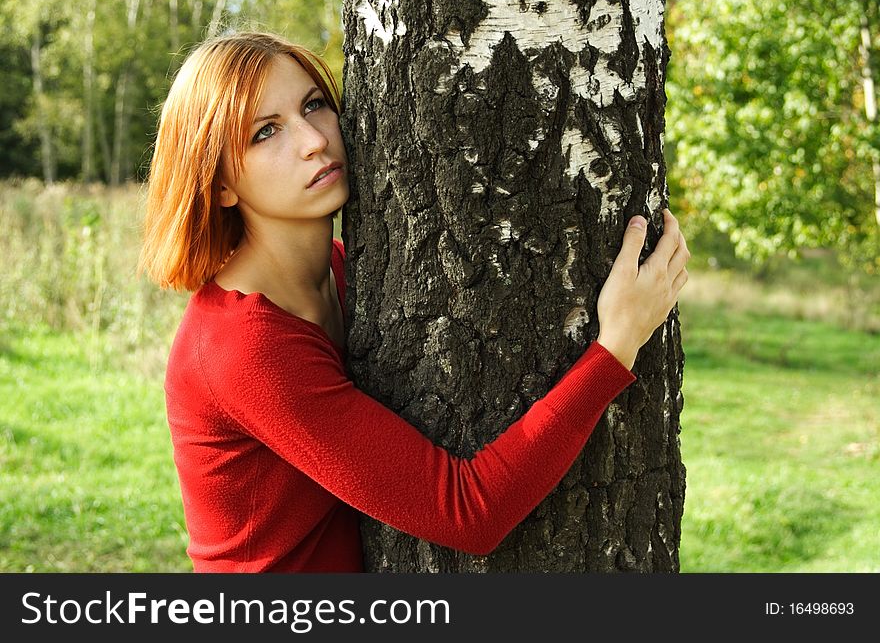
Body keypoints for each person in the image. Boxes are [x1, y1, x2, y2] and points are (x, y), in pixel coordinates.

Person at [139, 31, 690, 572]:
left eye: (314, 105)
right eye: (265, 132)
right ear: (219, 186)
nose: (313, 141)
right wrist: (616, 345)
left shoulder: (340, 271)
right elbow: (468, 513)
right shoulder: (244, 346)